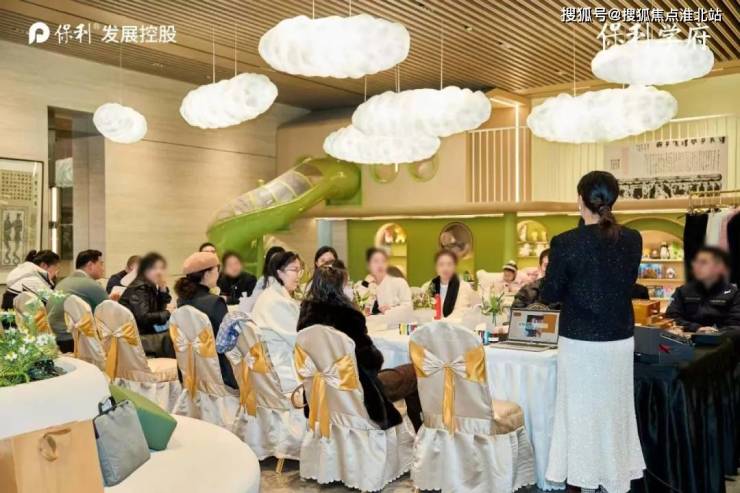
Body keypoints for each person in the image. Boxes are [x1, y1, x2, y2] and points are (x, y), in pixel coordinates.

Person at [541, 170, 645, 493]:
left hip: (580, 342)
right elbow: (626, 283)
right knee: (614, 412)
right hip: (618, 340)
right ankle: (613, 477)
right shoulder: (633, 239)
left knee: (579, 415)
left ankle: (579, 479)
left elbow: (550, 293)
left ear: (579, 200)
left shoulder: (565, 243)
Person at [298, 263, 422, 430]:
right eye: (347, 285)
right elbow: (372, 361)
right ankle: (419, 429)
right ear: (338, 289)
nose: (350, 289)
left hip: (323, 391)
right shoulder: (349, 317)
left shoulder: (306, 316)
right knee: (414, 371)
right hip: (359, 392)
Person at [175, 251, 236, 389]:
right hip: (220, 375)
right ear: (207, 274)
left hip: (191, 371)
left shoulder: (182, 301)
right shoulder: (215, 303)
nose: (219, 274)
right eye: (217, 269)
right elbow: (227, 343)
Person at [666, 246, 740, 333]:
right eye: (696, 262)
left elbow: (736, 324)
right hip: (689, 337)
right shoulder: (682, 291)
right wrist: (696, 328)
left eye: (703, 262)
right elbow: (671, 317)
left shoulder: (733, 293)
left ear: (718, 267)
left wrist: (715, 333)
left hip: (723, 339)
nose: (696, 266)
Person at [47, 250, 109, 352]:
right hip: (72, 340)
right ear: (90, 265)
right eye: (101, 264)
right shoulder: (91, 284)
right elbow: (109, 314)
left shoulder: (63, 282)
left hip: (53, 338)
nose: (103, 269)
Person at [119, 252, 172, 335]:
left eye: (162, 268)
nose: (159, 272)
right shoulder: (140, 287)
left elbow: (159, 309)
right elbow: (143, 318)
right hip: (136, 334)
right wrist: (167, 313)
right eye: (154, 268)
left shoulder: (150, 284)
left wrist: (162, 288)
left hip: (143, 330)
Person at [251, 251, 301, 333]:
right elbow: (297, 336)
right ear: (279, 273)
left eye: (300, 271)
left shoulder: (271, 293)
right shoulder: (278, 302)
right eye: (295, 270)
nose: (299, 276)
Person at [421, 249, 477, 319]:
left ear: (455, 267)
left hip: (457, 325)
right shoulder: (427, 287)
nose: (445, 268)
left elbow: (476, 310)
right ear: (436, 267)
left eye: (449, 264)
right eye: (441, 264)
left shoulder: (465, 287)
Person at [354, 248, 411, 315]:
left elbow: (407, 306)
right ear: (368, 265)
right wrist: (365, 283)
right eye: (376, 261)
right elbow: (358, 305)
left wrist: (391, 309)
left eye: (383, 261)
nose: (380, 264)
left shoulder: (398, 282)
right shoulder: (363, 284)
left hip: (391, 320)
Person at [244, 245, 286, 312]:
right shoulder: (264, 281)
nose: (276, 265)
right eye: (273, 262)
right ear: (268, 263)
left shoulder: (288, 280)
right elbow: (254, 302)